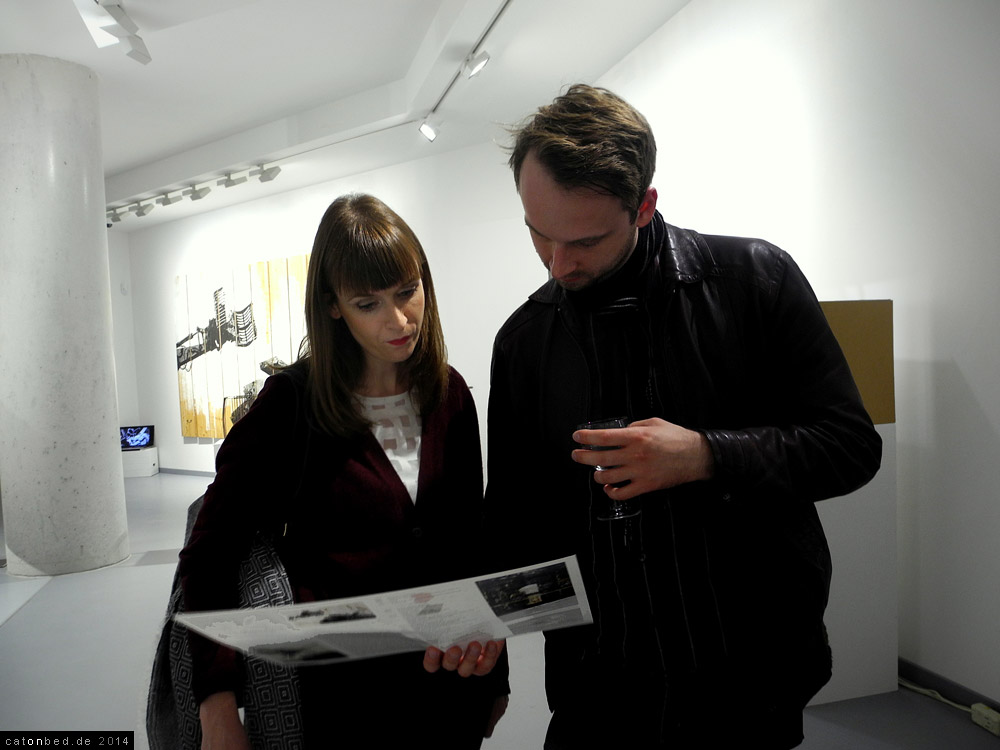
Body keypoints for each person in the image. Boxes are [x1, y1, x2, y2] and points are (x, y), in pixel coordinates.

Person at [484, 84, 883, 748]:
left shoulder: (756, 281)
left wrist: (705, 454)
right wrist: (481, 636)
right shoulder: (525, 341)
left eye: (584, 241)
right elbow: (513, 518)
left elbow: (850, 447)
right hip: (597, 690)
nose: (557, 264)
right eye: (537, 233)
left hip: (746, 680)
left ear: (644, 206)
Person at [178, 193, 507, 749]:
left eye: (407, 292)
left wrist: (495, 674)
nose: (399, 320)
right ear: (333, 306)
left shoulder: (448, 391)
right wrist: (216, 702)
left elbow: (468, 541)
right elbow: (211, 553)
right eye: (368, 303)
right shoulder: (290, 405)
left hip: (450, 689)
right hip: (340, 703)